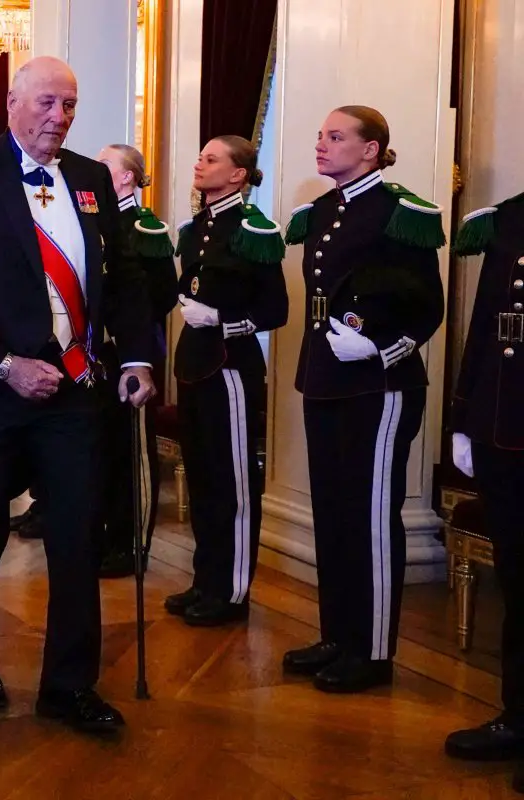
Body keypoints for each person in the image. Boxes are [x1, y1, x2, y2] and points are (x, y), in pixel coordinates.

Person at [0, 56, 156, 735]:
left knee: (77, 536)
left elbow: (128, 277)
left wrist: (137, 356)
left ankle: (69, 686)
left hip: (75, 390)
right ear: (13, 103)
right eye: (47, 102)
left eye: (70, 105)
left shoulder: (89, 180)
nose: (60, 117)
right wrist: (2, 366)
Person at [281, 106, 445, 693]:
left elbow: (429, 306)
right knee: (333, 509)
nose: (321, 144)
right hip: (327, 376)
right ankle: (338, 634)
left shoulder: (400, 212)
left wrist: (378, 350)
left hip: (380, 384)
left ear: (371, 148)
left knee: (372, 516)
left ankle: (372, 651)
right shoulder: (325, 210)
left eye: (335, 136)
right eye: (320, 134)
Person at [162, 136, 288, 626]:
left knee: (232, 483)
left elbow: (275, 310)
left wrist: (223, 320)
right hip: (194, 366)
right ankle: (205, 580)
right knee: (203, 477)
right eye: (201, 155)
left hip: (232, 367)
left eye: (212, 159)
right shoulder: (195, 230)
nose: (199, 163)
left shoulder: (254, 230)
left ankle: (232, 591)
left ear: (238, 175)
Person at [444, 191, 524, 791]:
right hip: (506, 428)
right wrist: (466, 415)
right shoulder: (511, 217)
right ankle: (518, 717)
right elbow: (489, 320)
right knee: (517, 582)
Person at [95, 144, 178, 577]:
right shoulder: (100, 220)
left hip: (132, 354)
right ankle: (108, 537)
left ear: (127, 177)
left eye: (106, 164)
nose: (96, 168)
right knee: (107, 450)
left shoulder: (144, 227)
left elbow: (161, 294)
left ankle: (132, 543)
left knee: (133, 452)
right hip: (100, 354)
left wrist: (130, 336)